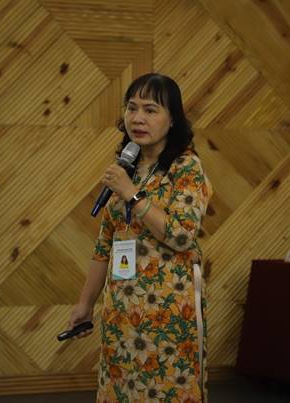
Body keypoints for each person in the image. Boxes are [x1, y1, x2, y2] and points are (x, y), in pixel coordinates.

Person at [67, 73, 212, 402]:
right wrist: (85, 303)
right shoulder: (126, 168)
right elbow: (105, 245)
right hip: (122, 309)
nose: (137, 118)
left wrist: (132, 194)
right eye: (132, 108)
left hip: (168, 312)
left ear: (172, 119)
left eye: (150, 110)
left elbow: (181, 235)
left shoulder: (185, 167)